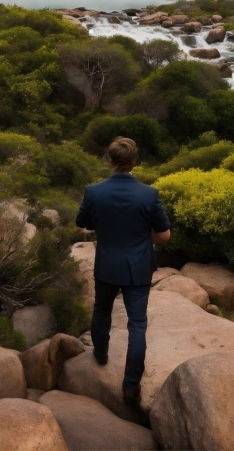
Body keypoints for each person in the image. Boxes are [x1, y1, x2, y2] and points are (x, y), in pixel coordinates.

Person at [75, 136, 171, 405]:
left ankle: (101, 355)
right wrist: (141, 237)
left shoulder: (94, 191)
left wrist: (107, 227)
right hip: (138, 267)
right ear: (134, 161)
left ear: (110, 160)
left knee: (102, 310)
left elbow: (82, 222)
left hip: (106, 264)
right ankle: (130, 386)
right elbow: (163, 236)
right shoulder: (149, 194)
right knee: (137, 324)